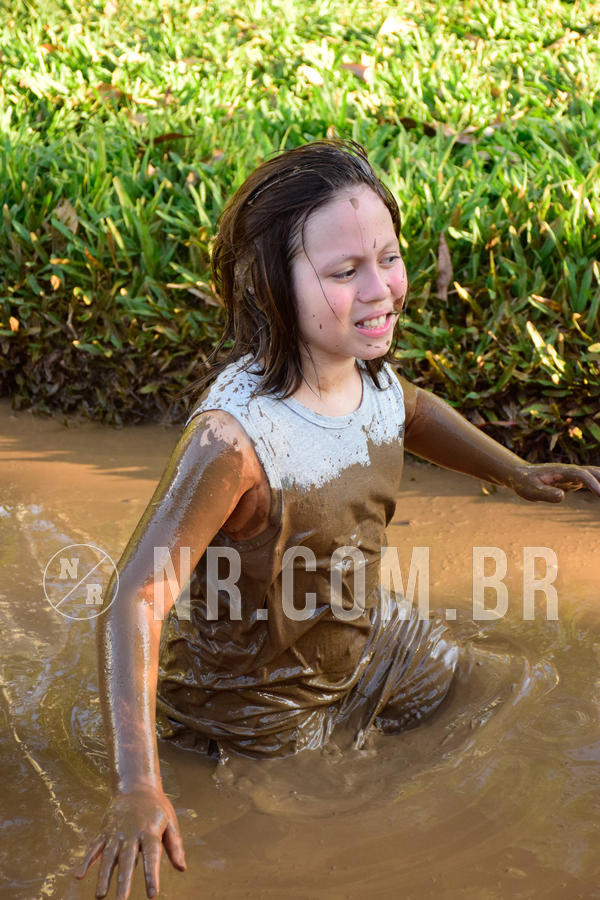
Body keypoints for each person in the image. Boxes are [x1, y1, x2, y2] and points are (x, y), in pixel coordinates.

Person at [76, 139, 600, 899]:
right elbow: (135, 599)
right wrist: (136, 784)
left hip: (367, 641)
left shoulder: (366, 371)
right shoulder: (234, 442)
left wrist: (512, 471)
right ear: (273, 291)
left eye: (388, 257)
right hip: (256, 709)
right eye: (344, 272)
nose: (382, 289)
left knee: (517, 688)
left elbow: (411, 412)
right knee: (309, 852)